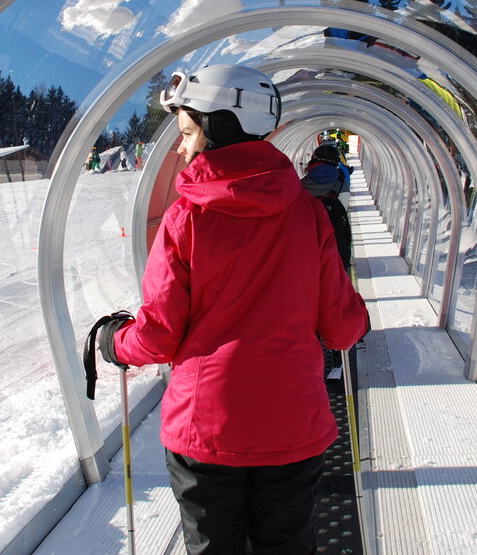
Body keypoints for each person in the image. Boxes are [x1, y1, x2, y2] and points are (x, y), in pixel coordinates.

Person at [90, 64, 368, 554]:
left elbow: (158, 336)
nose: (180, 148)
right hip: (293, 425)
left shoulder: (185, 218)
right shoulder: (308, 212)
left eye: (186, 133)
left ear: (217, 129)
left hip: (206, 432)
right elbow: (343, 329)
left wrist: (115, 342)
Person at [301, 144, 353, 272]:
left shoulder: (302, 183)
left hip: (306, 235)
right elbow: (343, 206)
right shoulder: (341, 183)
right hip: (333, 237)